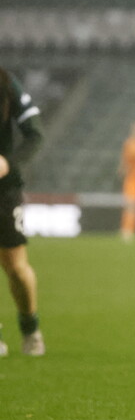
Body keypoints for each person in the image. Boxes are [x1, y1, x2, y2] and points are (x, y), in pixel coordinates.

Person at [0, 66, 45, 357]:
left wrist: (8, 163)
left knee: (15, 267)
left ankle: (30, 326)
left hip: (4, 189)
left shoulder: (6, 83)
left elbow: (34, 134)